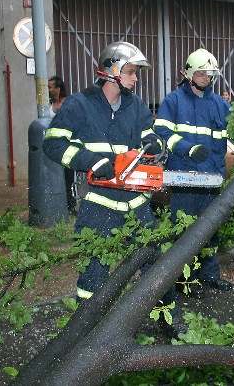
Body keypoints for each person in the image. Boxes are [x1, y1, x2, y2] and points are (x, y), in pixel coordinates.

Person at [42, 42, 165, 301]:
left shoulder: (136, 105)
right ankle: (85, 330)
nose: (135, 78)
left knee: (154, 265)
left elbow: (149, 134)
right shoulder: (79, 104)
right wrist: (91, 161)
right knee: (93, 273)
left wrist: (155, 142)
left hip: (136, 201)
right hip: (98, 203)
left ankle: (168, 322)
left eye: (136, 73)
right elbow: (53, 143)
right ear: (111, 71)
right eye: (130, 71)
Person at [154, 48, 234, 291]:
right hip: (185, 181)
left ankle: (209, 277)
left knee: (211, 233)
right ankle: (184, 281)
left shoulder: (220, 105)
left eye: (209, 74)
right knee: (185, 233)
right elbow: (162, 132)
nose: (206, 78)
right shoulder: (173, 102)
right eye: (201, 73)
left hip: (211, 180)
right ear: (188, 73)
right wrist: (188, 149)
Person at [48, 76, 75, 215]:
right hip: (53, 147)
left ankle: (70, 205)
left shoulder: (68, 103)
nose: (48, 89)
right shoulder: (47, 104)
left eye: (50, 87)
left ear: (58, 89)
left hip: (66, 146)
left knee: (68, 178)